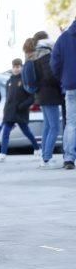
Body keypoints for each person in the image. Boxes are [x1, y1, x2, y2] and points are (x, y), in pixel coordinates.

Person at [0, 59, 39, 162]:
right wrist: (5, 112)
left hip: (20, 112)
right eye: (14, 67)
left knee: (27, 132)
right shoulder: (9, 81)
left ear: (22, 67)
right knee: (5, 132)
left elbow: (31, 98)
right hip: (10, 112)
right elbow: (8, 98)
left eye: (18, 67)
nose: (16, 69)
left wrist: (22, 106)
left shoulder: (25, 80)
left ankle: (37, 149)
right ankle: (3, 153)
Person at [32, 36, 63, 169]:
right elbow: (51, 77)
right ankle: (47, 158)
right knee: (54, 127)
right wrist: (60, 81)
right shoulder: (47, 59)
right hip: (50, 96)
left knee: (47, 126)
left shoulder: (36, 59)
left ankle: (44, 156)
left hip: (42, 96)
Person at [51, 20, 76, 169]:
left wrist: (63, 77)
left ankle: (69, 159)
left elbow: (55, 63)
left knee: (71, 123)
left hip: (71, 86)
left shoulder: (64, 38)